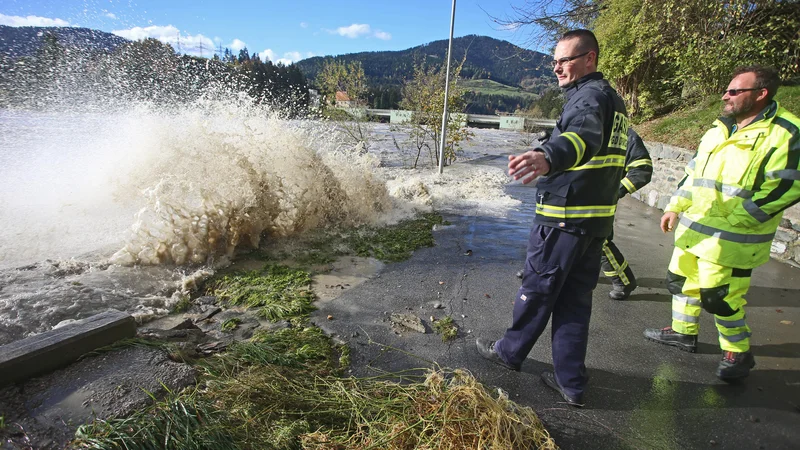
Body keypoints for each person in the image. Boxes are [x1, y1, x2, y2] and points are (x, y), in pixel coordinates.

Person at [475, 29, 629, 407]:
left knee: (537, 290)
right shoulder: (614, 100)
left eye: (566, 60)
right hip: (594, 223)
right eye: (555, 61)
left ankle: (509, 353)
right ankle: (571, 383)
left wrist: (548, 156)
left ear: (590, 59)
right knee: (575, 303)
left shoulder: (588, 96)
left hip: (564, 218)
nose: (558, 68)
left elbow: (581, 137)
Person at [645, 65, 800, 381]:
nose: (725, 95)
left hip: (733, 239)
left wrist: (738, 219)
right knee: (680, 282)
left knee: (720, 298)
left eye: (734, 91)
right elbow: (693, 174)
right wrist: (675, 206)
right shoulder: (718, 129)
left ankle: (738, 353)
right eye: (727, 90)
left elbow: (786, 187)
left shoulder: (786, 132)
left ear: (761, 94)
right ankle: (682, 333)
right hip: (695, 232)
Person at [602, 127, 653, 300]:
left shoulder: (623, 134)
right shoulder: (579, 126)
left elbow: (642, 169)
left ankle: (623, 280)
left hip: (601, 202)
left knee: (600, 242)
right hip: (570, 198)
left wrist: (615, 191)